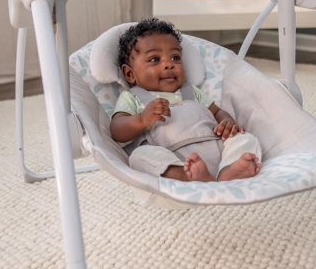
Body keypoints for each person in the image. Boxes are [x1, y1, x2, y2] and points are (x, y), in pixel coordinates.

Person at [110, 18, 262, 182]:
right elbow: (117, 131)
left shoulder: (191, 91)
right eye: (155, 59)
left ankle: (229, 170)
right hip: (173, 157)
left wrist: (227, 123)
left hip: (216, 148)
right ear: (130, 74)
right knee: (139, 156)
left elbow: (217, 112)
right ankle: (185, 175)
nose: (169, 64)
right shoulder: (132, 97)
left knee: (245, 138)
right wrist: (141, 119)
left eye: (175, 57)